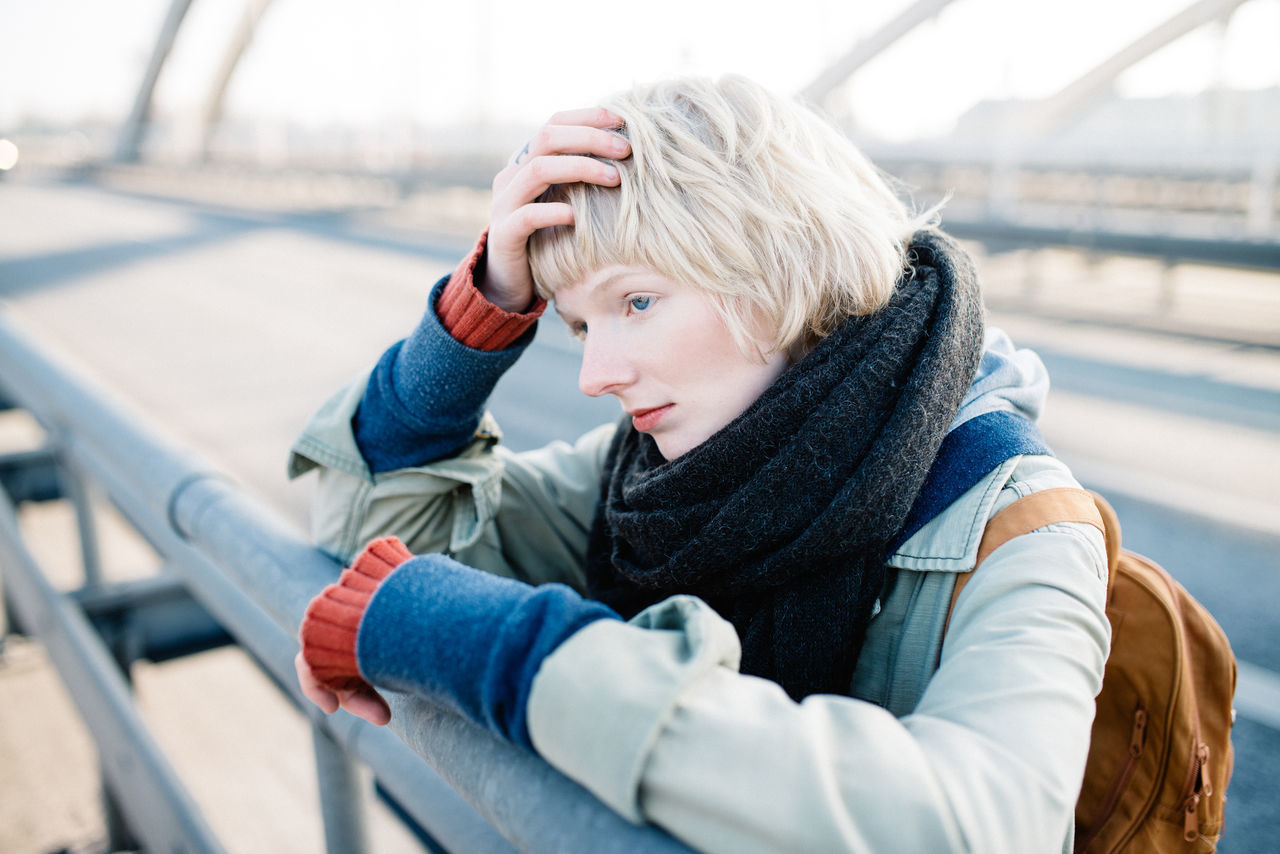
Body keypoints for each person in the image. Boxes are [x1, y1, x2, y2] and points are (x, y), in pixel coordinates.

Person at [289, 75, 1110, 853]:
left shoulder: (1019, 528)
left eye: (636, 302)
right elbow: (377, 539)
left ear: (782, 258)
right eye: (578, 325)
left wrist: (510, 651)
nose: (594, 375)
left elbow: (976, 827)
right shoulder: (647, 483)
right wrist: (486, 307)